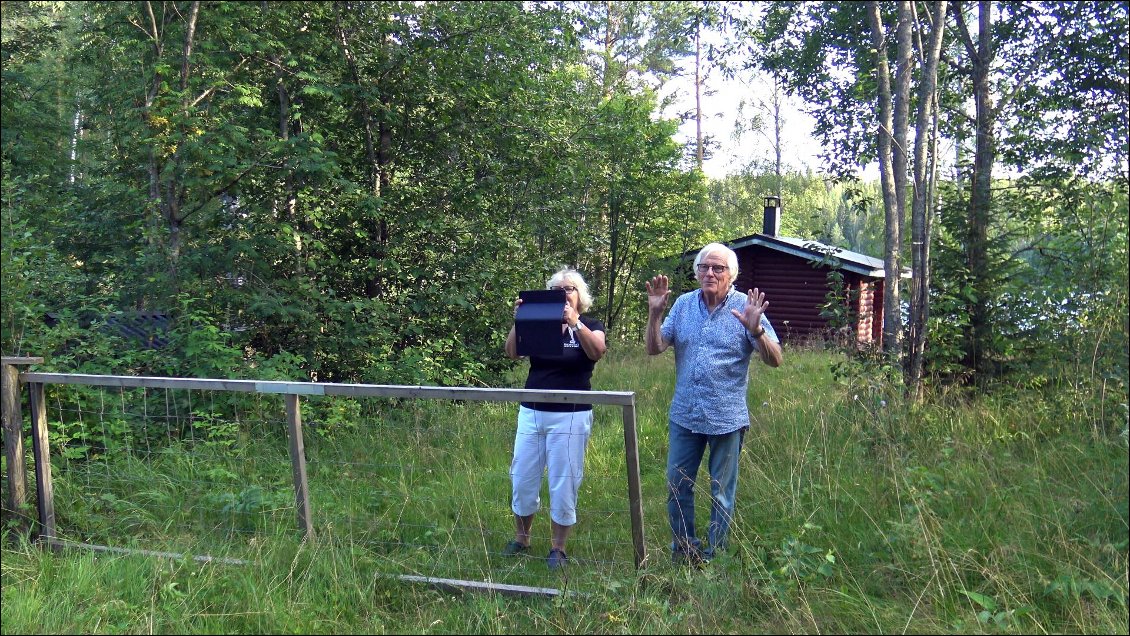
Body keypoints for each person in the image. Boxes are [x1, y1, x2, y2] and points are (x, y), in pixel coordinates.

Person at [645, 242, 783, 564]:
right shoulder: (681, 305)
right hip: (685, 415)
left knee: (721, 493)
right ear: (696, 273)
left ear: (731, 274)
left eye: (718, 268)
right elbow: (655, 348)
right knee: (677, 487)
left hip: (726, 419)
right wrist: (655, 314)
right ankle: (685, 551)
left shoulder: (744, 307)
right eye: (704, 267)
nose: (710, 272)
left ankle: (715, 555)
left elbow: (775, 359)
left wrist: (757, 330)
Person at [503, 267, 607, 570]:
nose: (564, 293)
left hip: (571, 415)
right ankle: (521, 539)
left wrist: (575, 324)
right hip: (532, 411)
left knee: (564, 481)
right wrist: (519, 320)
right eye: (558, 289)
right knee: (522, 477)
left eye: (570, 288)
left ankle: (558, 549)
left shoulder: (590, 323)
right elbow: (513, 353)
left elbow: (597, 351)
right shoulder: (540, 323)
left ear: (579, 296)